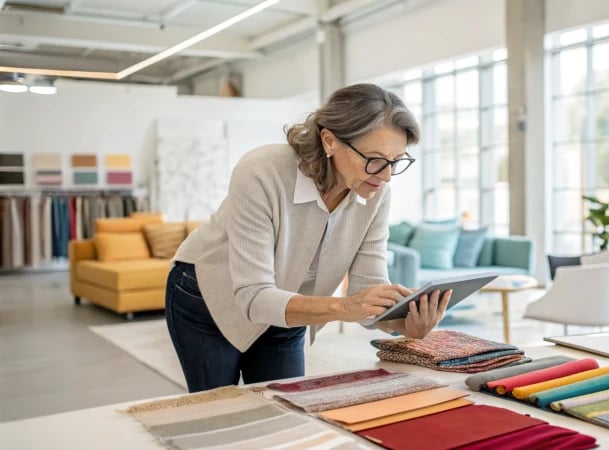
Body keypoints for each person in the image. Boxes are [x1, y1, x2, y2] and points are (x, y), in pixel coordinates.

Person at [166, 83, 451, 393]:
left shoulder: (375, 193)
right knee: (218, 411)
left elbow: (367, 289)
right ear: (329, 140)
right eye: (375, 159)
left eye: (396, 161)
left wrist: (402, 324)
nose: (385, 176)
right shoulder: (261, 171)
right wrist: (343, 307)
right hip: (208, 296)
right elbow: (253, 295)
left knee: (284, 409)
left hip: (292, 306)